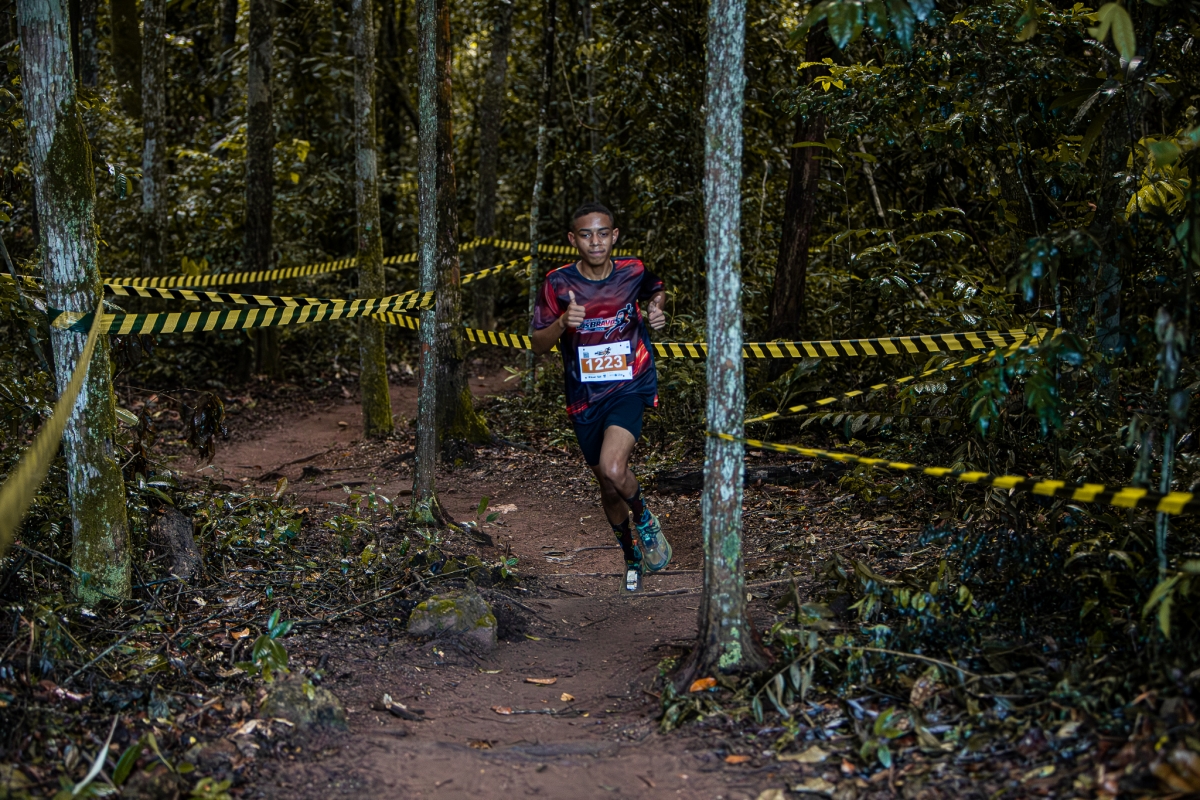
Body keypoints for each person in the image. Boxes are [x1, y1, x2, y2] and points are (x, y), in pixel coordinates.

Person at [531, 202, 671, 593]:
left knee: (613, 467)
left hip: (629, 385)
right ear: (572, 239)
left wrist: (657, 309)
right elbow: (538, 344)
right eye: (587, 234)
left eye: (603, 233)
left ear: (615, 236)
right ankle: (631, 556)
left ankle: (645, 520)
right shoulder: (558, 283)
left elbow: (657, 290)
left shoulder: (633, 270)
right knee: (608, 486)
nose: (596, 242)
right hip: (584, 398)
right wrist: (563, 322)